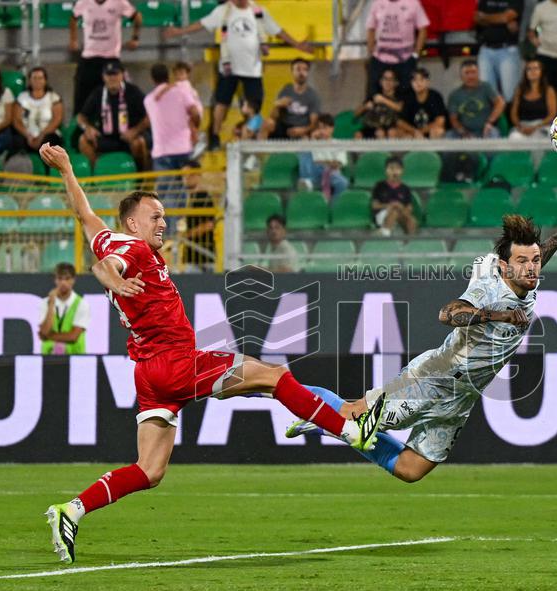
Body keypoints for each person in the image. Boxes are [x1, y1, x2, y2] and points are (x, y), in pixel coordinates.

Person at [39, 143, 385, 564]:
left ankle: (70, 511)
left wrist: (67, 170)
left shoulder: (109, 238)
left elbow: (84, 215)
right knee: (273, 376)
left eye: (164, 215)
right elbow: (103, 267)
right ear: (133, 222)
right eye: (156, 216)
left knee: (149, 470)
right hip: (177, 362)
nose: (164, 222)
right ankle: (352, 431)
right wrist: (112, 279)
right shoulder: (133, 249)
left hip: (148, 372)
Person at [286, 211, 557, 482]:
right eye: (523, 262)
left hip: (463, 395)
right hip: (436, 377)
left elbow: (534, 257)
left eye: (536, 261)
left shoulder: (527, 278)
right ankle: (286, 391)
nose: (532, 268)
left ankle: (333, 422)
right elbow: (448, 313)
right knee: (353, 417)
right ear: (504, 266)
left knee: (411, 469)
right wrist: (499, 315)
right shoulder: (488, 289)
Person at [163, 0, 312, 150]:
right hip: (229, 67)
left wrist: (297, 44)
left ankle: (250, 139)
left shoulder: (258, 11)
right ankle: (214, 136)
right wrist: (179, 32)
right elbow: (201, 24)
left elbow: (278, 31)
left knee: (254, 107)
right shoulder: (223, 11)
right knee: (221, 103)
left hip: (252, 69)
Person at [69, 0, 142, 116]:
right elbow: (73, 18)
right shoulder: (83, 2)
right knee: (81, 98)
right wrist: (73, 39)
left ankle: (119, 127)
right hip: (89, 56)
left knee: (118, 96)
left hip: (111, 57)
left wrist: (135, 38)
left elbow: (137, 16)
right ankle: (79, 130)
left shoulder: (119, 2)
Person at [76, 62, 150, 170]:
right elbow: (81, 117)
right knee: (83, 140)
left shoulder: (133, 91)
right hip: (105, 137)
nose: (112, 78)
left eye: (115, 74)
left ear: (122, 75)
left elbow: (148, 117)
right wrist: (87, 128)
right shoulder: (98, 93)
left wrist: (135, 131)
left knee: (139, 143)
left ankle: (140, 178)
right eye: (109, 75)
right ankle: (96, 174)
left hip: (128, 137)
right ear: (103, 77)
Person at [143, 63, 201, 172]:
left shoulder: (148, 100)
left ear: (152, 79)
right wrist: (195, 129)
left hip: (161, 152)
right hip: (183, 148)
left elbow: (148, 122)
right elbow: (195, 113)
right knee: (185, 186)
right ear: (168, 76)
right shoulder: (182, 92)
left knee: (166, 189)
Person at [365, 0, 429, 97]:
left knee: (406, 96)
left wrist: (415, 54)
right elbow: (371, 28)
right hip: (380, 59)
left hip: (405, 60)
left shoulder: (413, 3)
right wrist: (372, 52)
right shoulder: (377, 3)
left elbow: (423, 29)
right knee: (373, 94)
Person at [259, 58, 320, 140]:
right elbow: (273, 117)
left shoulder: (313, 95)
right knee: (268, 122)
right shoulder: (285, 90)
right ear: (292, 72)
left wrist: (303, 130)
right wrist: (278, 105)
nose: (301, 73)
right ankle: (260, 151)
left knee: (306, 138)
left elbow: (314, 123)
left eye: (305, 70)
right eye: (298, 69)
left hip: (302, 130)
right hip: (284, 127)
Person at [476, 0, 524, 102]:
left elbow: (506, 17)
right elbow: (476, 18)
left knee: (510, 94)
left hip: (507, 50)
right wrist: (501, 19)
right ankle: (494, 118)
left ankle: (511, 118)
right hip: (486, 49)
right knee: (488, 93)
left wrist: (485, 17)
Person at [39, 262, 90, 356]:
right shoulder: (46, 302)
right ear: (55, 280)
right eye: (60, 278)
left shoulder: (81, 304)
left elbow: (73, 337)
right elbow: (45, 331)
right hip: (48, 358)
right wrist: (51, 305)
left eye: (67, 279)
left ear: (73, 280)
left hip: (75, 358)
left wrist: (48, 336)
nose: (63, 282)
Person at [447, 59, 505, 138]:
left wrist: (489, 122)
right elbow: (453, 119)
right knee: (449, 136)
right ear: (461, 76)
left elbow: (500, 103)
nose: (470, 76)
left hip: (486, 129)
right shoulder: (454, 95)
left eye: (473, 72)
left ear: (479, 73)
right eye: (467, 73)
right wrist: (464, 133)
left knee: (493, 134)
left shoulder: (486, 87)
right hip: (463, 132)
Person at [12, 67, 64, 155]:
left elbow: (56, 120)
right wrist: (28, 135)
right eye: (34, 78)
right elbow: (17, 121)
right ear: (30, 80)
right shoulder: (22, 98)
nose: (37, 81)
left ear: (45, 80)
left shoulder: (54, 98)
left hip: (48, 134)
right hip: (27, 134)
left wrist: (41, 136)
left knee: (50, 142)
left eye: (40, 78)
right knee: (16, 141)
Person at [298, 114, 349, 199]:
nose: (321, 131)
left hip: (331, 174)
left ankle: (310, 183)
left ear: (332, 129)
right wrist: (312, 139)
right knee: (306, 151)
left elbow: (337, 164)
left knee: (343, 182)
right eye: (319, 128)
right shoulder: (314, 143)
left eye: (324, 128)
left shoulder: (339, 144)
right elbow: (309, 163)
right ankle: (307, 181)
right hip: (315, 173)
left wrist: (322, 163)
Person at [508, 57, 557, 139]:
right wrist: (520, 126)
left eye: (536, 68)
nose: (532, 71)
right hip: (523, 126)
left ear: (541, 72)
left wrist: (536, 127)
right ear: (525, 73)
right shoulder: (519, 90)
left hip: (542, 126)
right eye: (529, 69)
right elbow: (513, 114)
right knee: (514, 137)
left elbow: (552, 115)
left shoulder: (548, 90)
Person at [395, 68, 447, 139]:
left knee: (438, 131)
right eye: (414, 80)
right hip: (413, 132)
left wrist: (421, 131)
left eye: (421, 80)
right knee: (399, 132)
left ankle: (433, 150)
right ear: (411, 83)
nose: (418, 83)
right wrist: (414, 131)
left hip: (429, 131)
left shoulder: (435, 96)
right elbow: (400, 121)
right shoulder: (408, 97)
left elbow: (440, 121)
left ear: (428, 82)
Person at [371, 156, 417, 236]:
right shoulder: (379, 185)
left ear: (402, 171)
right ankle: (385, 234)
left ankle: (410, 242)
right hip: (383, 214)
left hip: (400, 213)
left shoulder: (405, 188)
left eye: (397, 169)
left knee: (412, 220)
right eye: (391, 168)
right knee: (394, 212)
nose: (394, 172)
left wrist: (399, 206)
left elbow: (409, 208)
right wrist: (390, 205)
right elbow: (375, 206)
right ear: (386, 170)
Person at [355, 68, 403, 139]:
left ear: (396, 82)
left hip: (389, 127)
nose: (387, 82)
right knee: (358, 134)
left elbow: (399, 108)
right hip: (371, 127)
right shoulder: (374, 96)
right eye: (385, 79)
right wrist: (365, 107)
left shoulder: (399, 97)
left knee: (382, 132)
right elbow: (356, 113)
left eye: (391, 79)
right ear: (381, 81)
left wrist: (383, 100)